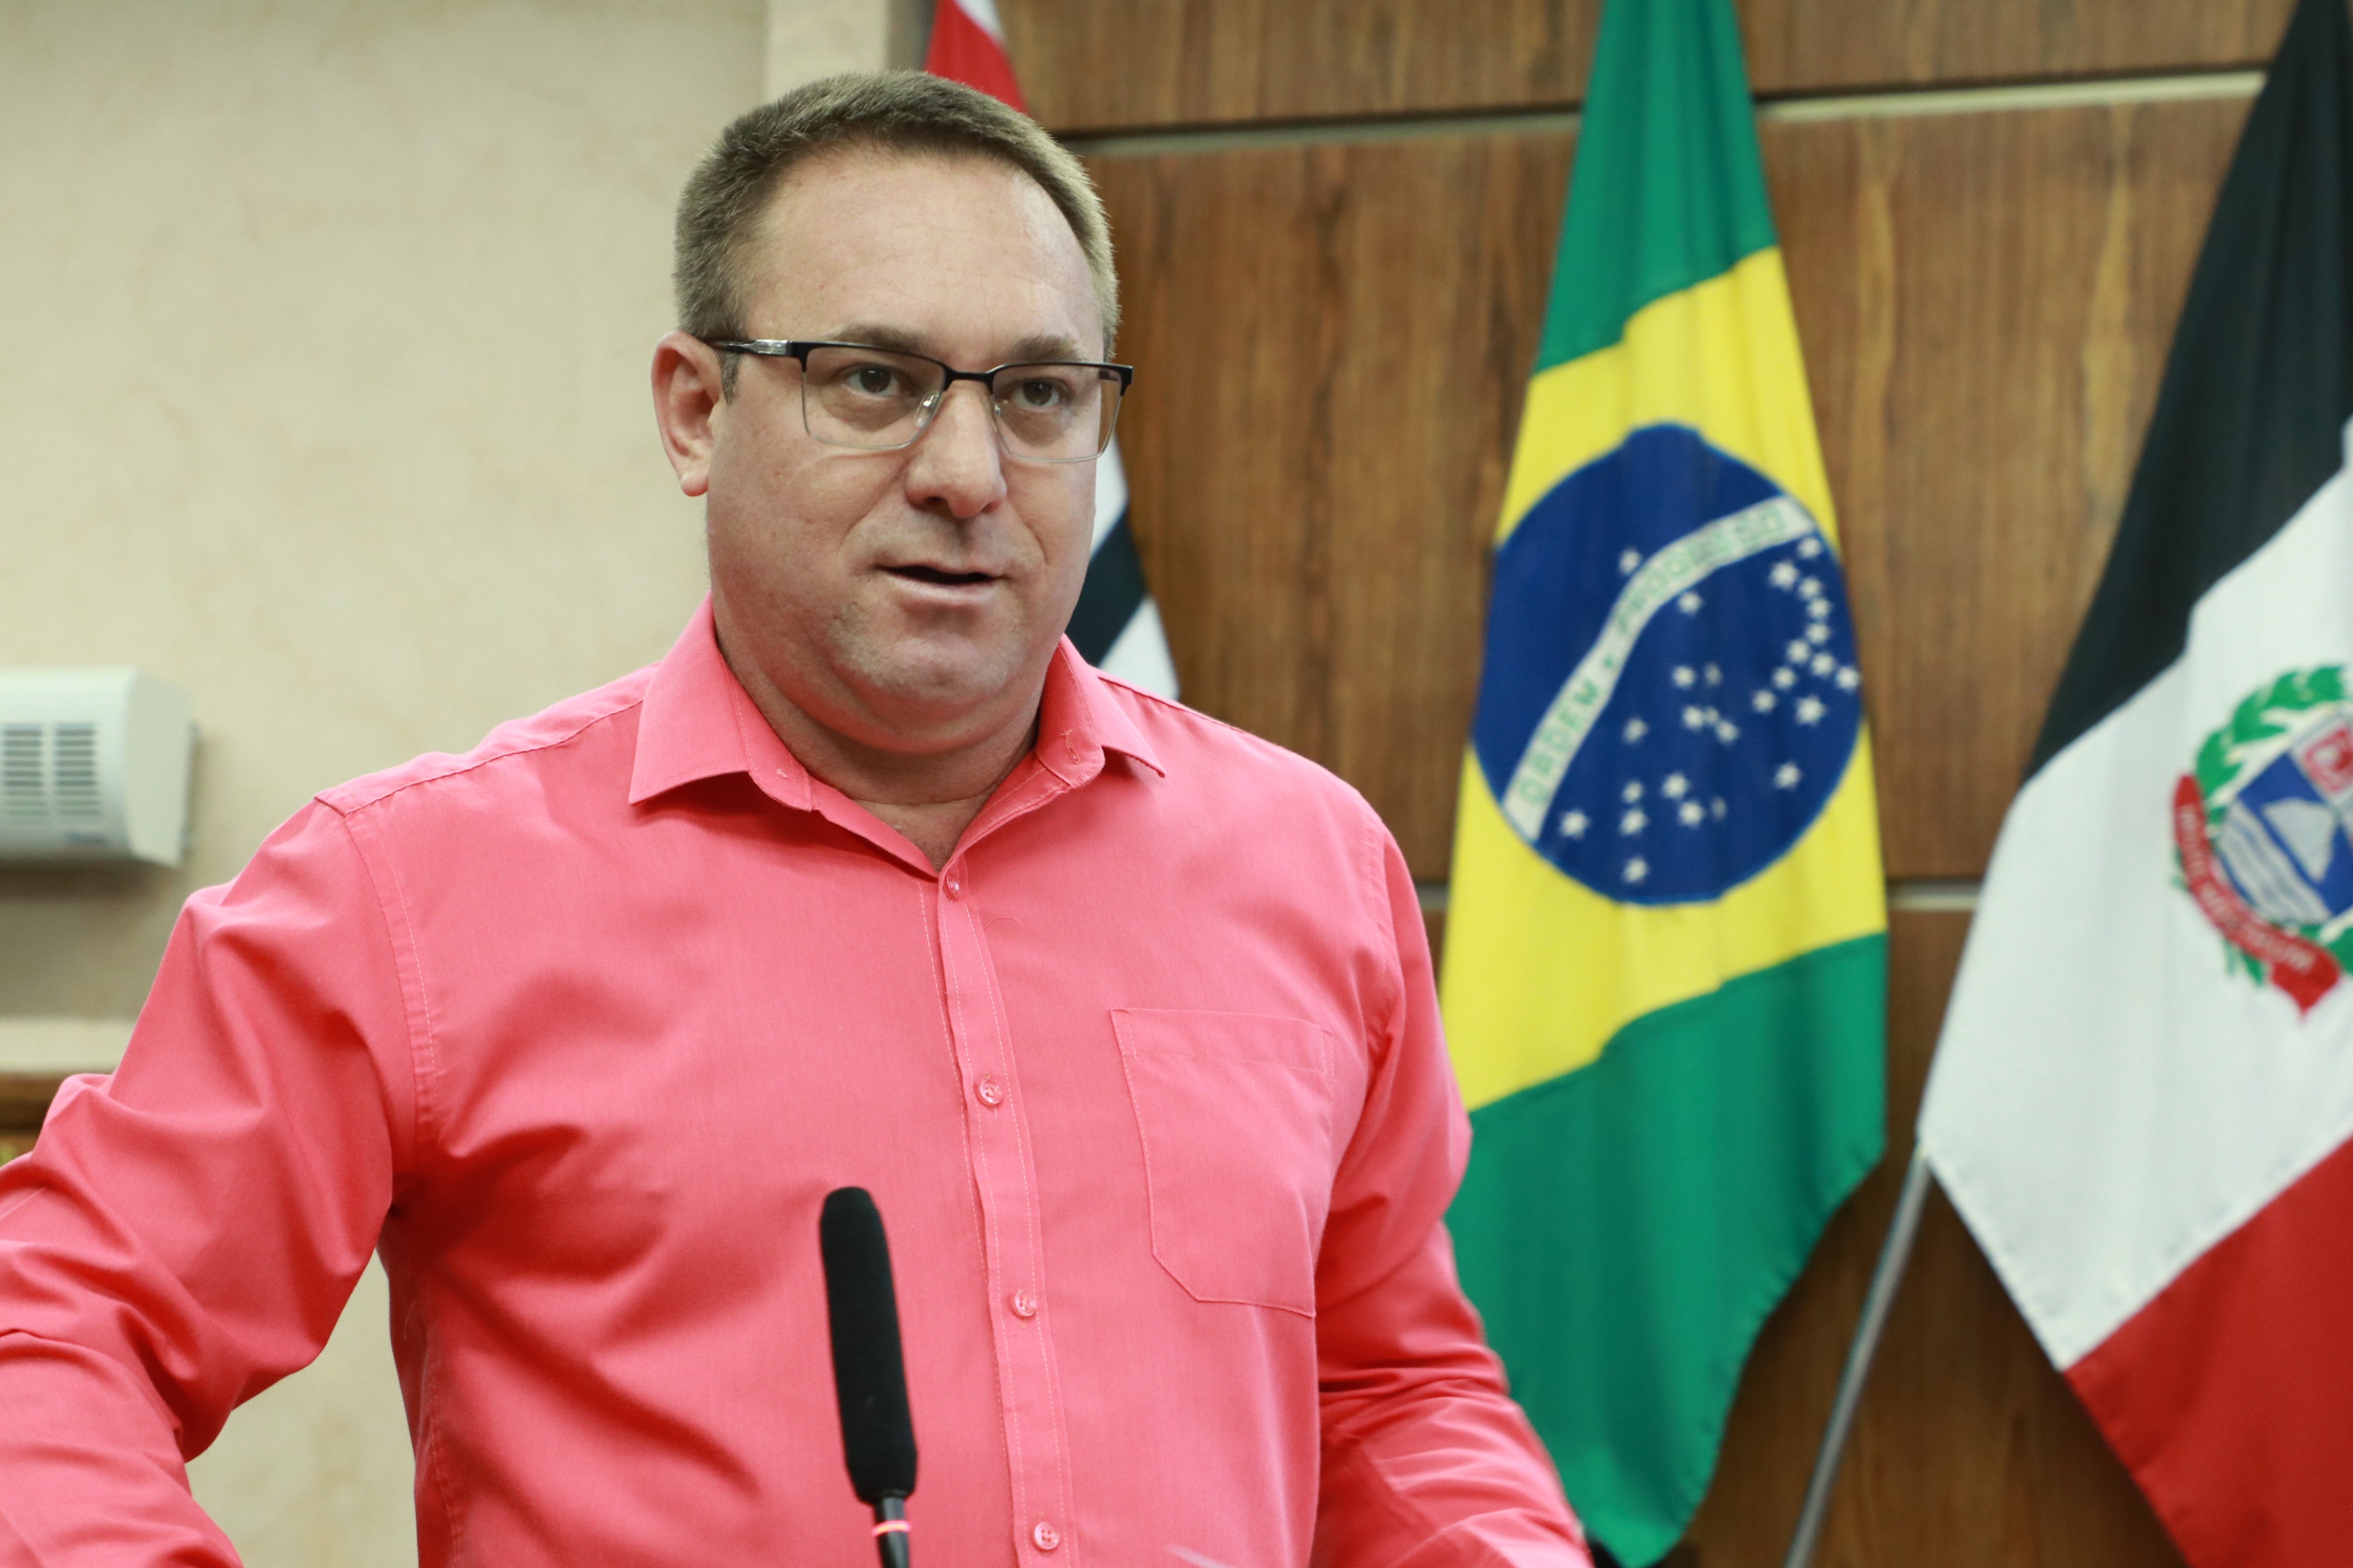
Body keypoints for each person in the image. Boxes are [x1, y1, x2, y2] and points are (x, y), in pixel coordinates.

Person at [0, 74, 1589, 1567]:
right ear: (697, 411)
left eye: (1040, 393)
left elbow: (1391, 1391)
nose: (967, 471)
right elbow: (54, 1340)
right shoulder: (406, 894)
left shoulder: (1312, 866)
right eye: (874, 380)